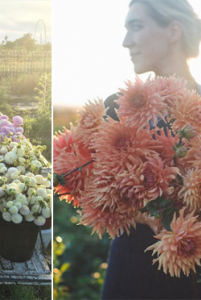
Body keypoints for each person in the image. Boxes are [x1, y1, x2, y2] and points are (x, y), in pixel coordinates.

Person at [102, 1, 201, 299]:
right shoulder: (115, 109)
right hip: (131, 269)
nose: (125, 42)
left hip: (189, 272)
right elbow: (94, 195)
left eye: (136, 26)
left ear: (173, 31)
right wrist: (127, 207)